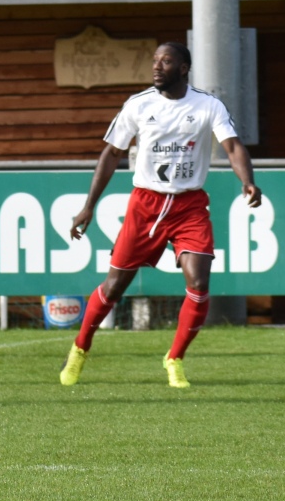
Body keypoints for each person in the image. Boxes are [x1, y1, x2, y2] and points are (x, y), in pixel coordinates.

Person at [59, 42, 260, 389]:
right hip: (145, 205)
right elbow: (111, 153)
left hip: (189, 206)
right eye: (154, 60)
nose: (156, 66)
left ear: (183, 68)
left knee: (199, 284)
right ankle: (80, 349)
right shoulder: (138, 105)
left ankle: (175, 359)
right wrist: (88, 205)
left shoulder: (208, 105)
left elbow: (232, 146)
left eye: (165, 61)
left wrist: (248, 181)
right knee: (114, 286)